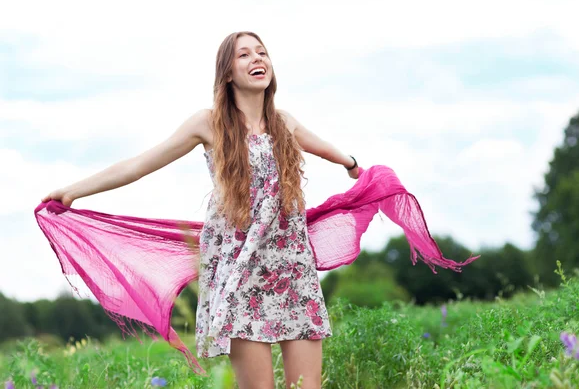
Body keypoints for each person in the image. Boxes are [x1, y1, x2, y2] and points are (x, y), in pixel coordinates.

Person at [42, 31, 360, 389]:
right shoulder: (208, 124)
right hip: (242, 276)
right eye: (244, 55)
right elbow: (140, 164)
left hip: (292, 271)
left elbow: (328, 150)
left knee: (307, 386)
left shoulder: (284, 123)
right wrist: (72, 191)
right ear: (227, 73)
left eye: (262, 53)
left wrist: (355, 166)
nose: (257, 59)